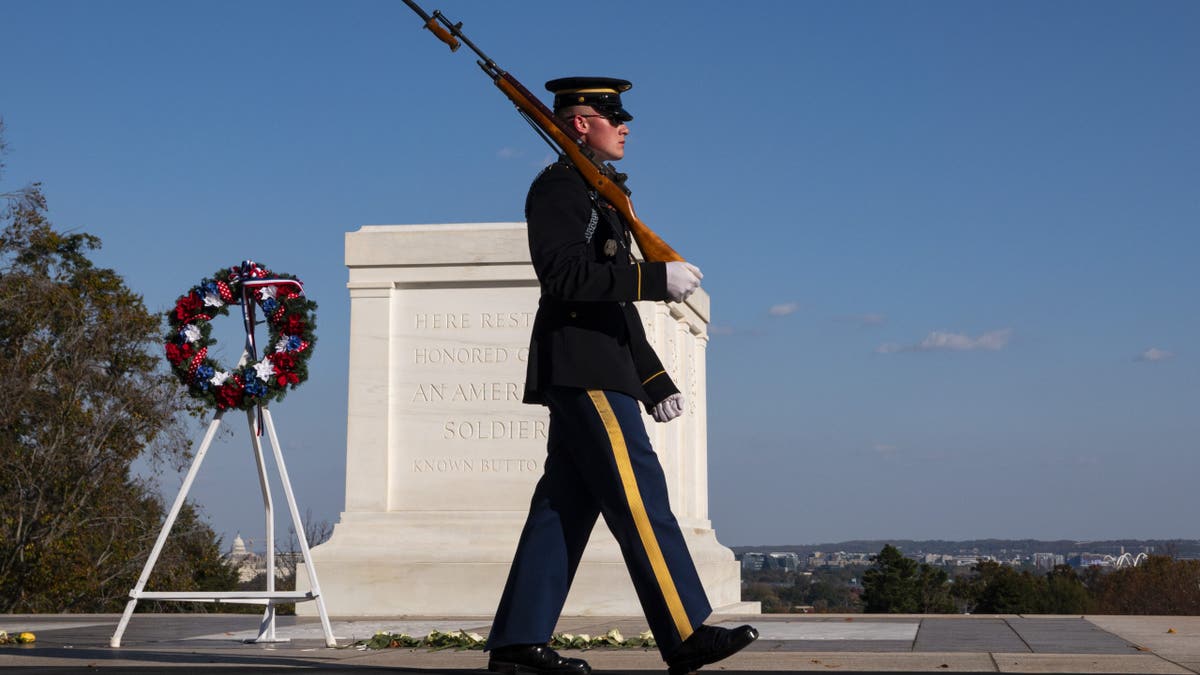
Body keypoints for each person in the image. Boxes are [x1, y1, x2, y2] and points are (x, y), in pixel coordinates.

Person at [485, 77, 757, 675]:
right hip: (584, 368)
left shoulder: (596, 195)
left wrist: (653, 376)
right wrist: (656, 280)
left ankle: (516, 645)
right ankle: (685, 633)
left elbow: (612, 303)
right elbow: (563, 279)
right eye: (613, 117)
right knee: (639, 496)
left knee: (563, 506)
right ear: (580, 123)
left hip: (594, 362)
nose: (626, 126)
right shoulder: (560, 189)